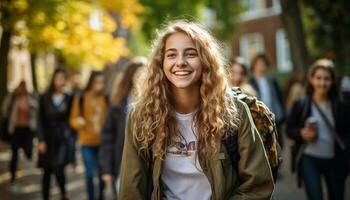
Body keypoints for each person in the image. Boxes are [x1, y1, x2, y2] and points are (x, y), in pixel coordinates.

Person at [118, 20, 274, 200]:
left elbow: (258, 186)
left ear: (205, 61)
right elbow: (131, 189)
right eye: (171, 55)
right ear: (161, 63)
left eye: (191, 54)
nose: (180, 62)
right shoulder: (141, 116)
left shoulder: (234, 112)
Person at [286, 58, 350, 200]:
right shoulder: (301, 104)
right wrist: (301, 133)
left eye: (326, 79)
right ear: (311, 79)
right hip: (310, 159)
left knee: (337, 196)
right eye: (319, 78)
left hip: (334, 160)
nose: (322, 83)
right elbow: (289, 129)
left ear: (332, 81)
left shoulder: (341, 106)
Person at [99, 57, 147, 195]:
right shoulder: (119, 103)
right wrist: (107, 169)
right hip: (122, 162)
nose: (142, 79)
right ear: (130, 77)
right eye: (138, 75)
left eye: (146, 75)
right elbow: (108, 136)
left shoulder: (157, 101)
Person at [70, 71, 108, 200]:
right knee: (90, 174)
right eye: (97, 82)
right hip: (86, 142)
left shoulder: (106, 98)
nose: (100, 85)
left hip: (102, 143)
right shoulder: (81, 97)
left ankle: (101, 196)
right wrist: (78, 122)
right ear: (91, 82)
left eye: (102, 82)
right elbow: (73, 119)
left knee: (102, 173)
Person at [37, 68, 73, 200]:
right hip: (47, 138)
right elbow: (39, 120)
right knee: (47, 170)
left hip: (62, 138)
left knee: (59, 167)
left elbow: (72, 117)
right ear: (53, 79)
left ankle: (63, 193)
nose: (60, 81)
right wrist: (40, 140)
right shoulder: (44, 97)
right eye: (58, 78)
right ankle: (45, 196)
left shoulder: (69, 97)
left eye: (62, 78)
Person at [1, 81, 37, 185]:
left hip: (27, 130)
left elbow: (36, 108)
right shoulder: (13, 97)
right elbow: (4, 109)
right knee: (14, 154)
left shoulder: (29, 97)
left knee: (28, 152)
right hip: (16, 130)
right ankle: (13, 177)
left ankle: (28, 157)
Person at [249, 54, 286, 148]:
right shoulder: (250, 82)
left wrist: (283, 115)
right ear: (254, 65)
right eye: (259, 64)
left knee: (278, 145)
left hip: (274, 117)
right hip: (258, 120)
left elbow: (280, 98)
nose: (262, 66)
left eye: (264, 64)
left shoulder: (272, 81)